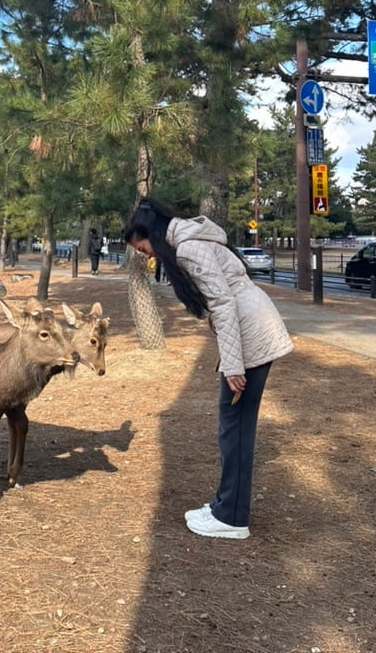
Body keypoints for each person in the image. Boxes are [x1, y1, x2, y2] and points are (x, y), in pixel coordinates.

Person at [124, 196, 293, 540]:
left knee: (236, 429)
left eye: (142, 248)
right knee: (233, 426)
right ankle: (224, 505)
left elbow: (223, 304)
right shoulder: (192, 239)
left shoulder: (187, 248)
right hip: (250, 329)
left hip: (250, 334)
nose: (145, 255)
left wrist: (233, 367)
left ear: (151, 235)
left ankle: (232, 518)